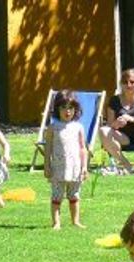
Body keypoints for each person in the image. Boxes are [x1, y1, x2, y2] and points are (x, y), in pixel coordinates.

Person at [43, 90, 88, 229]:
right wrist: (47, 165)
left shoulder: (78, 127)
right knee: (57, 196)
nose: (67, 111)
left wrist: (84, 167)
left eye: (70, 108)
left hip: (75, 167)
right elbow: (48, 148)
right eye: (63, 108)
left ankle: (75, 221)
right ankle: (56, 222)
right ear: (57, 109)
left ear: (75, 109)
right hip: (58, 168)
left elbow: (82, 148)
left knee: (74, 195)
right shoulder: (53, 128)